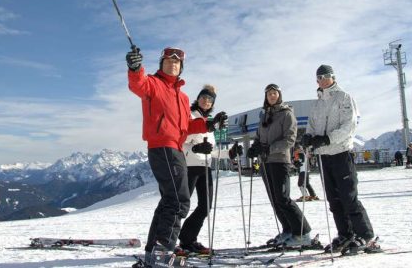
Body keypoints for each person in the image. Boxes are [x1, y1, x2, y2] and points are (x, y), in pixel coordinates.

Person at [126, 46, 228, 266]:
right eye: (168, 61)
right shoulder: (153, 83)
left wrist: (208, 123)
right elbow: (138, 84)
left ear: (181, 67)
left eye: (177, 62)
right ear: (161, 63)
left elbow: (187, 126)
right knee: (179, 200)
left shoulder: (182, 97)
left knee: (169, 201)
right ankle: (164, 252)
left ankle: (154, 251)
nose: (173, 64)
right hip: (162, 146)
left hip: (176, 148)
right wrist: (135, 67)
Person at [303, 64, 378, 253]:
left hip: (341, 153)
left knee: (348, 197)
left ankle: (366, 236)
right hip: (324, 157)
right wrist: (309, 137)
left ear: (333, 77)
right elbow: (312, 126)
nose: (323, 79)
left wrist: (327, 138)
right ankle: (345, 233)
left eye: (326, 76)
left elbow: (349, 126)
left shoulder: (344, 97)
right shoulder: (317, 104)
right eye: (319, 77)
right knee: (334, 199)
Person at [177, 85, 240, 255]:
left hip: (204, 168)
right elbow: (180, 143)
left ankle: (188, 239)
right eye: (204, 97)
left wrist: (230, 153)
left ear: (212, 104)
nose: (206, 101)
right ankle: (167, 242)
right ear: (198, 99)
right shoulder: (189, 116)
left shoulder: (211, 123)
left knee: (205, 206)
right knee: (180, 206)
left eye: (210, 99)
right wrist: (195, 149)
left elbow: (211, 150)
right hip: (188, 167)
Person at [247, 83, 312, 247]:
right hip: (265, 163)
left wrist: (269, 148)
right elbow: (258, 137)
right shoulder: (264, 116)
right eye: (269, 93)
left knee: (283, 198)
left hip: (279, 160)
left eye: (274, 93)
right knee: (275, 199)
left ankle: (303, 232)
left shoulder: (287, 114)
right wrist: (254, 148)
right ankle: (288, 229)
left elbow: (290, 139)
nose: (272, 95)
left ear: (279, 95)